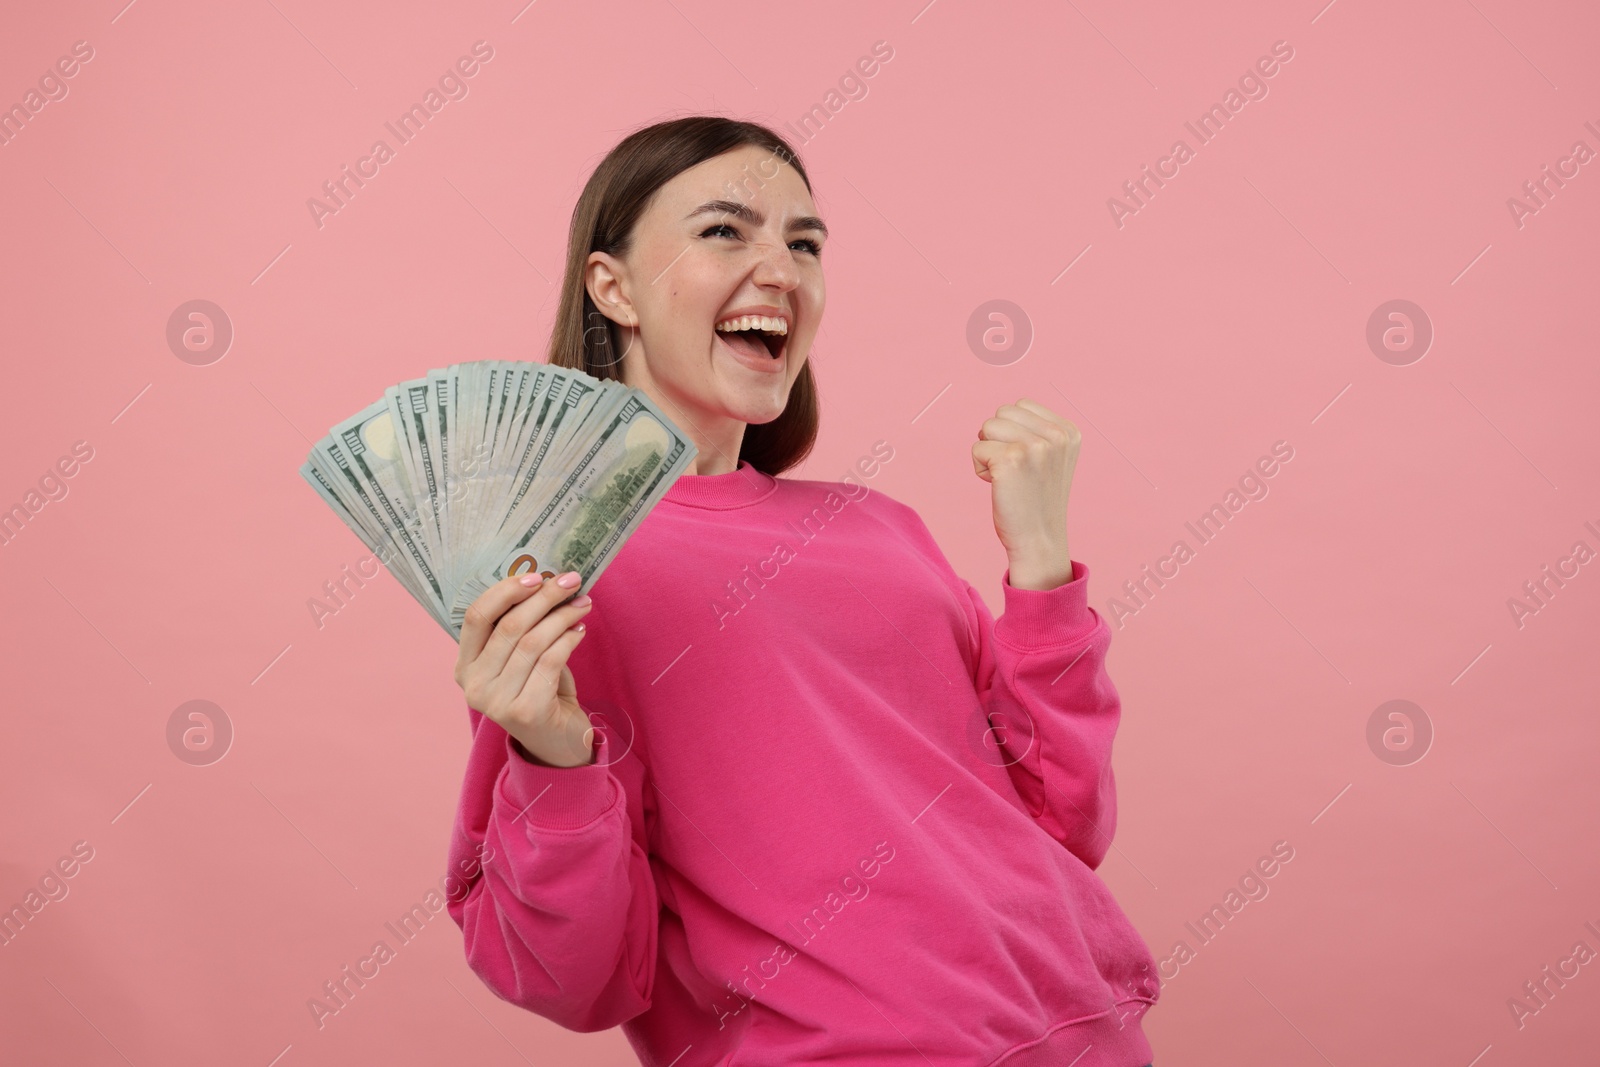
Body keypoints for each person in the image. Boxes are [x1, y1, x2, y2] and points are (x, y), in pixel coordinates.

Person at [446, 115, 1160, 1066]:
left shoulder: (878, 526)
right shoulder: (566, 570)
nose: (781, 268)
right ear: (611, 286)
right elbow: (574, 976)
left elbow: (1064, 821)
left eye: (805, 242)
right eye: (724, 231)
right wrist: (553, 756)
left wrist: (1039, 566)